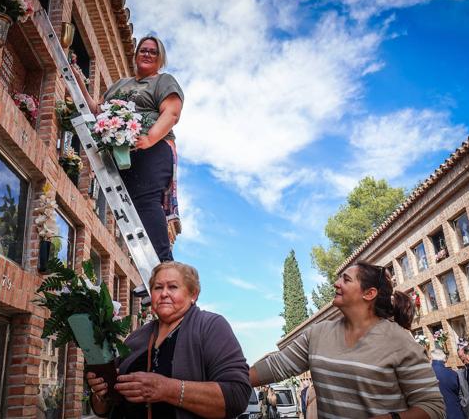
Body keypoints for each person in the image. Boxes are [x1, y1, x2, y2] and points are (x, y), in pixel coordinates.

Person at [249, 260, 445, 418]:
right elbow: (276, 366)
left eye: (346, 280)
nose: (336, 284)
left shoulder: (400, 341)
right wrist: (227, 379)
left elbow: (433, 407)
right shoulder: (317, 333)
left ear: (369, 294)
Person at [85, 261, 251, 418]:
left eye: (172, 287)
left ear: (193, 294)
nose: (164, 293)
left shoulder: (210, 326)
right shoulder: (136, 337)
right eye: (158, 288)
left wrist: (168, 389)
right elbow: (104, 410)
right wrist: (101, 394)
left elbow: (237, 396)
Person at [73, 35, 184, 262]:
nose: (147, 54)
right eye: (143, 50)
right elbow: (97, 110)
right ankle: (150, 269)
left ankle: (164, 264)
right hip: (120, 152)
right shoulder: (121, 84)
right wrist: (78, 82)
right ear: (135, 55)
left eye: (153, 51)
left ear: (160, 59)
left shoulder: (163, 81)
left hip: (152, 148)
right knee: (131, 208)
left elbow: (171, 112)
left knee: (146, 201)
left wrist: (149, 138)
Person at [431, 348, 465, 418]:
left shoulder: (426, 374)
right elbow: (459, 392)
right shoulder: (452, 374)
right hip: (454, 412)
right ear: (444, 359)